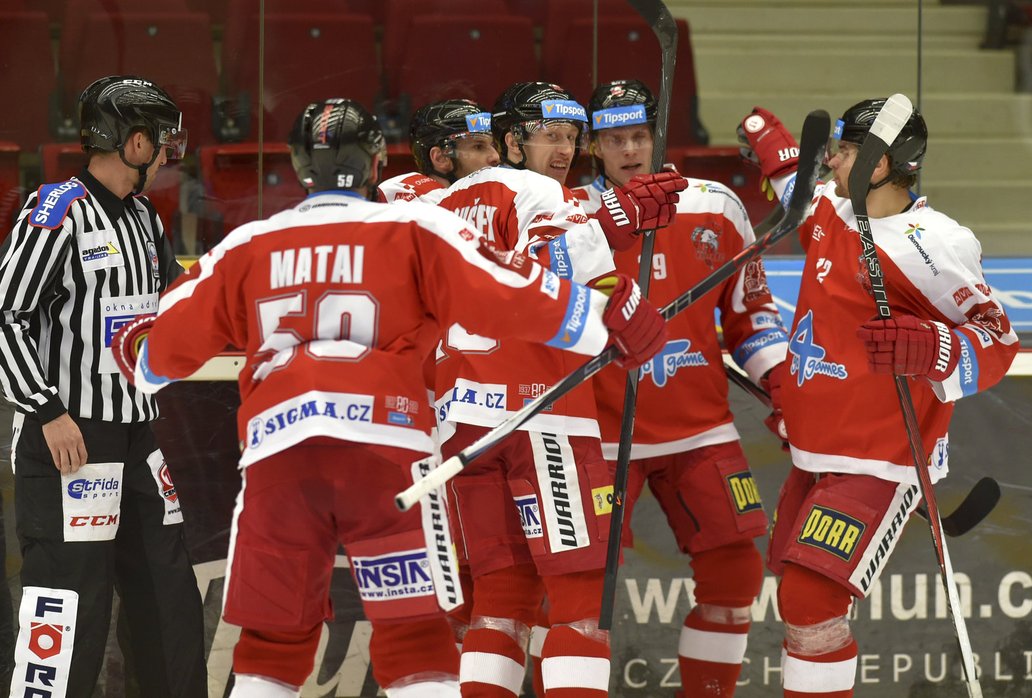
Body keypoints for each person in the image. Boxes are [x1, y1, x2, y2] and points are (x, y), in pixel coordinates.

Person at [110, 97, 670, 698]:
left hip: (281, 460)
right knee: (415, 638)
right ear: (378, 160)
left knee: (273, 644)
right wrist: (608, 319)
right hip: (388, 462)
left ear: (299, 165)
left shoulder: (249, 244)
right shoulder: (415, 229)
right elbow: (510, 291)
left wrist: (138, 347)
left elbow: (153, 358)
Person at [737, 99, 1019, 697]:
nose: (832, 163)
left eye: (843, 152)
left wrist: (934, 349)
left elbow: (998, 341)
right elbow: (796, 186)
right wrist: (768, 135)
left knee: (813, 602)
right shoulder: (834, 211)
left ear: (881, 162)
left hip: (883, 458)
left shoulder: (935, 244)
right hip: (815, 453)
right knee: (800, 609)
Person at [428, 80, 685, 697]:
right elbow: (587, 287)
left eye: (572, 137)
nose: (565, 150)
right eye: (550, 136)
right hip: (541, 416)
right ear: (512, 141)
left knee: (502, 598)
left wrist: (613, 221)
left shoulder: (441, 206)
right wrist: (636, 323)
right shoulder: (542, 193)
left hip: (463, 423)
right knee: (579, 595)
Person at [570, 79, 789, 697]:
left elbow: (751, 312)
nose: (632, 150)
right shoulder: (570, 214)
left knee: (735, 575)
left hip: (700, 430)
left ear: (661, 134)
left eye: (641, 135)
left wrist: (781, 380)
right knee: (579, 589)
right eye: (615, 139)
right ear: (594, 144)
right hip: (600, 435)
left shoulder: (715, 205)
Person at [0, 75, 206, 697]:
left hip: (139, 432)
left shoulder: (144, 215)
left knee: (167, 590)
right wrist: (47, 412)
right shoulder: (54, 211)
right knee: (70, 597)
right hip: (71, 435)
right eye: (162, 139)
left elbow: (171, 296)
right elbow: (5, 317)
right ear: (132, 141)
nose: (170, 151)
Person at [377, 98, 500, 203]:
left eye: (494, 145)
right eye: (478, 147)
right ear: (440, 158)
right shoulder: (412, 200)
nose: (495, 157)